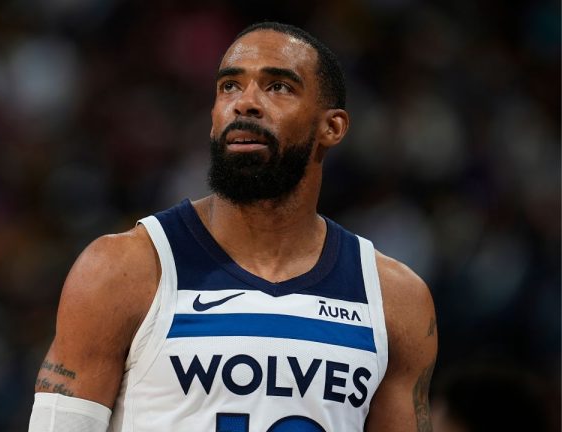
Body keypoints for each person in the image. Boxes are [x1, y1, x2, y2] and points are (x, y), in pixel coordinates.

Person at [28, 21, 437, 432]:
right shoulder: (121, 269)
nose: (245, 103)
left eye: (278, 86)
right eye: (229, 86)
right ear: (212, 118)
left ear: (331, 128)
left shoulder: (394, 299)